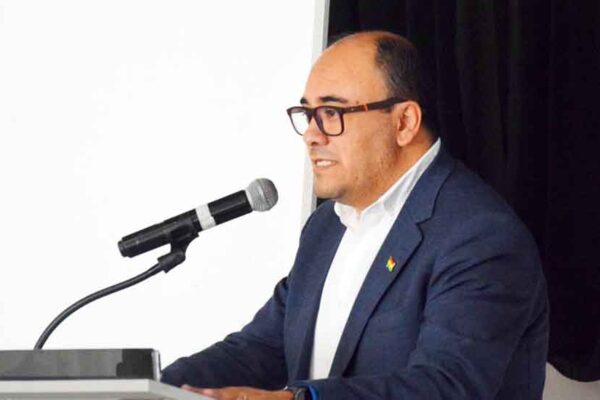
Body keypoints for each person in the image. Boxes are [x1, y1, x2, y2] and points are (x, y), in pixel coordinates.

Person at [161, 31, 549, 400]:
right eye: (307, 114)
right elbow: (263, 347)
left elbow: (445, 387)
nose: (312, 135)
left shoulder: (480, 236)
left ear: (404, 122)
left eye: (331, 112)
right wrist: (153, 385)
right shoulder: (326, 226)